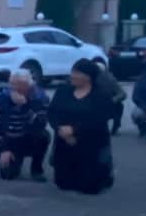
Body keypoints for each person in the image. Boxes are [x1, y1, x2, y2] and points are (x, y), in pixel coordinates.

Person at [48, 58, 114, 195]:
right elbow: (52, 113)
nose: (73, 76)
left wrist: (75, 130)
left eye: (77, 73)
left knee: (89, 188)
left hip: (90, 142)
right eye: (73, 72)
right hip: (65, 140)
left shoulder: (101, 95)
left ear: (88, 77)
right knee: (63, 184)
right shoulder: (63, 91)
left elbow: (99, 120)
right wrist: (60, 129)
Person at [0, 68, 51, 182]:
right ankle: (8, 158)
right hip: (9, 138)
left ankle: (36, 169)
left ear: (28, 85)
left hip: (29, 136)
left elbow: (40, 124)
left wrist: (24, 106)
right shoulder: (4, 96)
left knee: (44, 136)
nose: (13, 88)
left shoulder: (40, 97)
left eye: (17, 84)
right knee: (7, 175)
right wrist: (3, 149)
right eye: (11, 84)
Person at [94, 62, 127, 136]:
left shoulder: (110, 79)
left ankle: (116, 126)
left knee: (119, 106)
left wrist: (112, 100)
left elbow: (122, 94)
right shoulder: (88, 79)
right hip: (92, 103)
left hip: (108, 103)